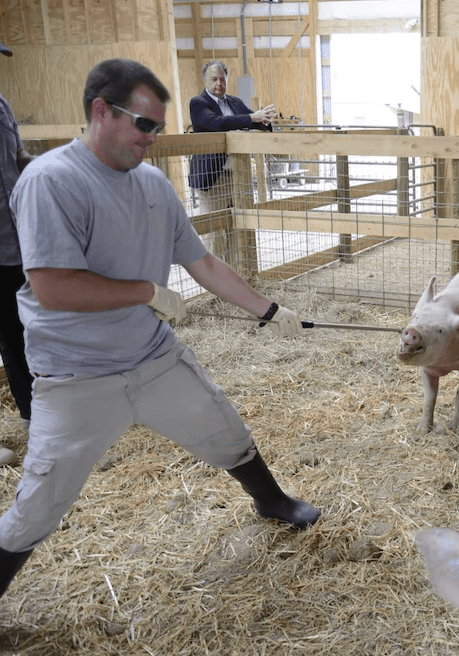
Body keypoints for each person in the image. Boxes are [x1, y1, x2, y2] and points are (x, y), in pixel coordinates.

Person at [0, 58, 319, 599]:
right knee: (39, 503)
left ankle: (272, 500)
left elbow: (203, 263)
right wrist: (147, 292)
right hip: (77, 376)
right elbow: (54, 288)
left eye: (158, 127)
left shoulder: (151, 184)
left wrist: (267, 309)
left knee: (225, 428)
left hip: (151, 358)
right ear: (101, 111)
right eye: (143, 124)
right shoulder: (51, 181)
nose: (152, 138)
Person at [0, 40, 34, 467]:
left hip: (11, 241)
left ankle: (33, 415)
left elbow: (17, 157)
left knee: (19, 331)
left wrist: (53, 165)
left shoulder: (2, 104)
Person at [187, 60, 275, 213]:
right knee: (215, 232)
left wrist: (265, 121)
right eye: (214, 79)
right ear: (205, 81)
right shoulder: (198, 103)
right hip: (213, 177)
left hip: (239, 174)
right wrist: (252, 117)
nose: (219, 83)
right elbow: (218, 123)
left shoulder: (235, 102)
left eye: (222, 79)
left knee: (241, 228)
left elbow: (253, 120)